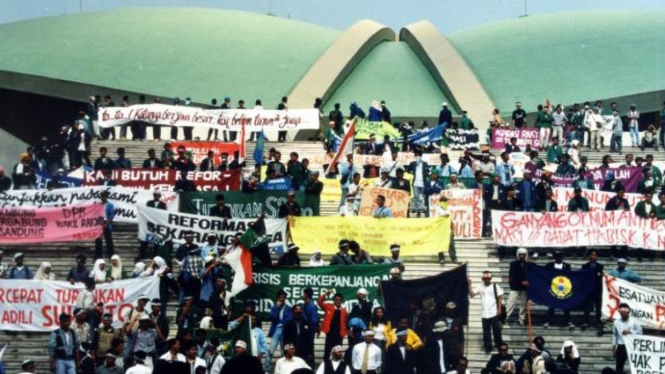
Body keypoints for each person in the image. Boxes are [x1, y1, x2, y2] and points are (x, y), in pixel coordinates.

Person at [469, 271, 503, 353]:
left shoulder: (495, 286)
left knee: (496, 330)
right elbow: (472, 294)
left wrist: (499, 309)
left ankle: (499, 345)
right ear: (483, 279)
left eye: (488, 279)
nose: (487, 280)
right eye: (485, 279)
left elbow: (499, 297)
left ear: (490, 279)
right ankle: (488, 347)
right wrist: (469, 285)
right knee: (486, 331)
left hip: (493, 312)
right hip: (485, 313)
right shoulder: (480, 287)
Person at [543, 252, 574, 329]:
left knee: (565, 305)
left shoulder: (567, 266)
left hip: (564, 288)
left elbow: (569, 276)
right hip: (553, 288)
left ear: (562, 257)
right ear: (554, 257)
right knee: (552, 305)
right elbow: (544, 274)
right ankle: (548, 321)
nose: (559, 258)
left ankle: (568, 321)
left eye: (560, 256)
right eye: (557, 256)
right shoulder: (549, 265)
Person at [265, 290, 294, 372]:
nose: (282, 299)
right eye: (281, 297)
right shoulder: (274, 307)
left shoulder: (288, 308)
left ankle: (283, 369)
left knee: (283, 351)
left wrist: (280, 322)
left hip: (285, 329)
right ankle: (266, 369)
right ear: (278, 298)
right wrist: (278, 308)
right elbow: (272, 317)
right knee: (271, 350)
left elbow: (289, 319)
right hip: (276, 330)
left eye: (284, 297)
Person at [318, 291, 348, 362]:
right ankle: (326, 367)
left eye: (339, 300)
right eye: (336, 299)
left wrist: (345, 333)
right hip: (330, 333)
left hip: (339, 334)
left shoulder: (344, 311)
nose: (338, 301)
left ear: (341, 301)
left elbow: (345, 322)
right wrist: (326, 293)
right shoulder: (328, 307)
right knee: (328, 351)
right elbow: (319, 302)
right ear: (334, 300)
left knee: (338, 351)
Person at [612, 303, 642, 374]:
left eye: (624, 312)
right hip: (621, 345)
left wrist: (630, 331)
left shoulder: (634, 321)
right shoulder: (616, 322)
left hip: (632, 345)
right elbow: (614, 335)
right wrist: (614, 346)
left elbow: (640, 332)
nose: (622, 313)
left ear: (628, 312)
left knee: (634, 365)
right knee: (619, 366)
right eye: (621, 312)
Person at [506, 248, 529, 326]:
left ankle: (521, 319)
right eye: (520, 254)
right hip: (515, 287)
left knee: (523, 304)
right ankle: (505, 317)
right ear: (518, 255)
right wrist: (521, 281)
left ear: (526, 255)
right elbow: (513, 275)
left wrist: (528, 282)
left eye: (523, 254)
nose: (522, 256)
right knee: (510, 303)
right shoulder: (513, 264)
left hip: (524, 288)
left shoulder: (529, 264)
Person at [408, 149, 430, 215]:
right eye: (416, 155)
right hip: (415, 183)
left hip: (423, 182)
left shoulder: (425, 163)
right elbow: (408, 170)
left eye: (419, 155)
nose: (417, 156)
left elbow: (428, 172)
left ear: (421, 156)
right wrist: (411, 172)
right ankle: (417, 210)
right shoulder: (412, 163)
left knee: (423, 196)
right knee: (416, 197)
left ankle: (423, 209)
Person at [95, 191, 115, 259]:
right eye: (102, 196)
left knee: (108, 239)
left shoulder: (110, 205)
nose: (103, 198)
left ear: (107, 197)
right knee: (98, 240)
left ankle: (111, 254)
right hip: (99, 223)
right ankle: (98, 255)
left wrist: (106, 223)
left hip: (107, 222)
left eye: (105, 196)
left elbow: (111, 215)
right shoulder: (98, 205)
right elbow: (95, 214)